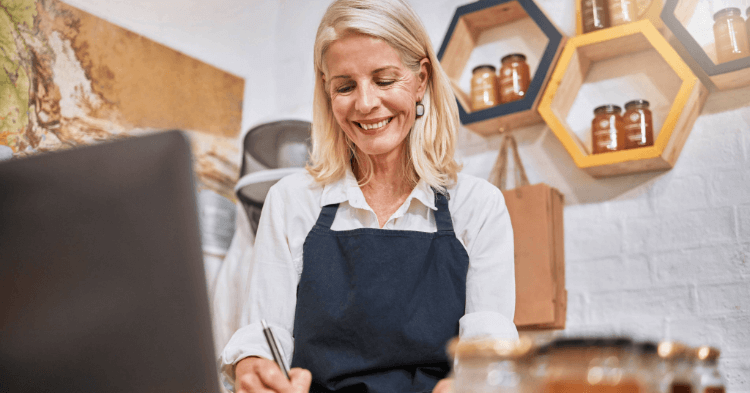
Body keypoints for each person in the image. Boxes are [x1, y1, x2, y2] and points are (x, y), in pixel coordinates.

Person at [219, 0, 518, 392]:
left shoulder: (477, 206)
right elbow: (265, 334)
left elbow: (488, 351)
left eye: (384, 80)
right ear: (328, 94)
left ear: (421, 80)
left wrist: (476, 382)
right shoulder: (291, 202)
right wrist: (255, 365)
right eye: (345, 86)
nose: (365, 103)